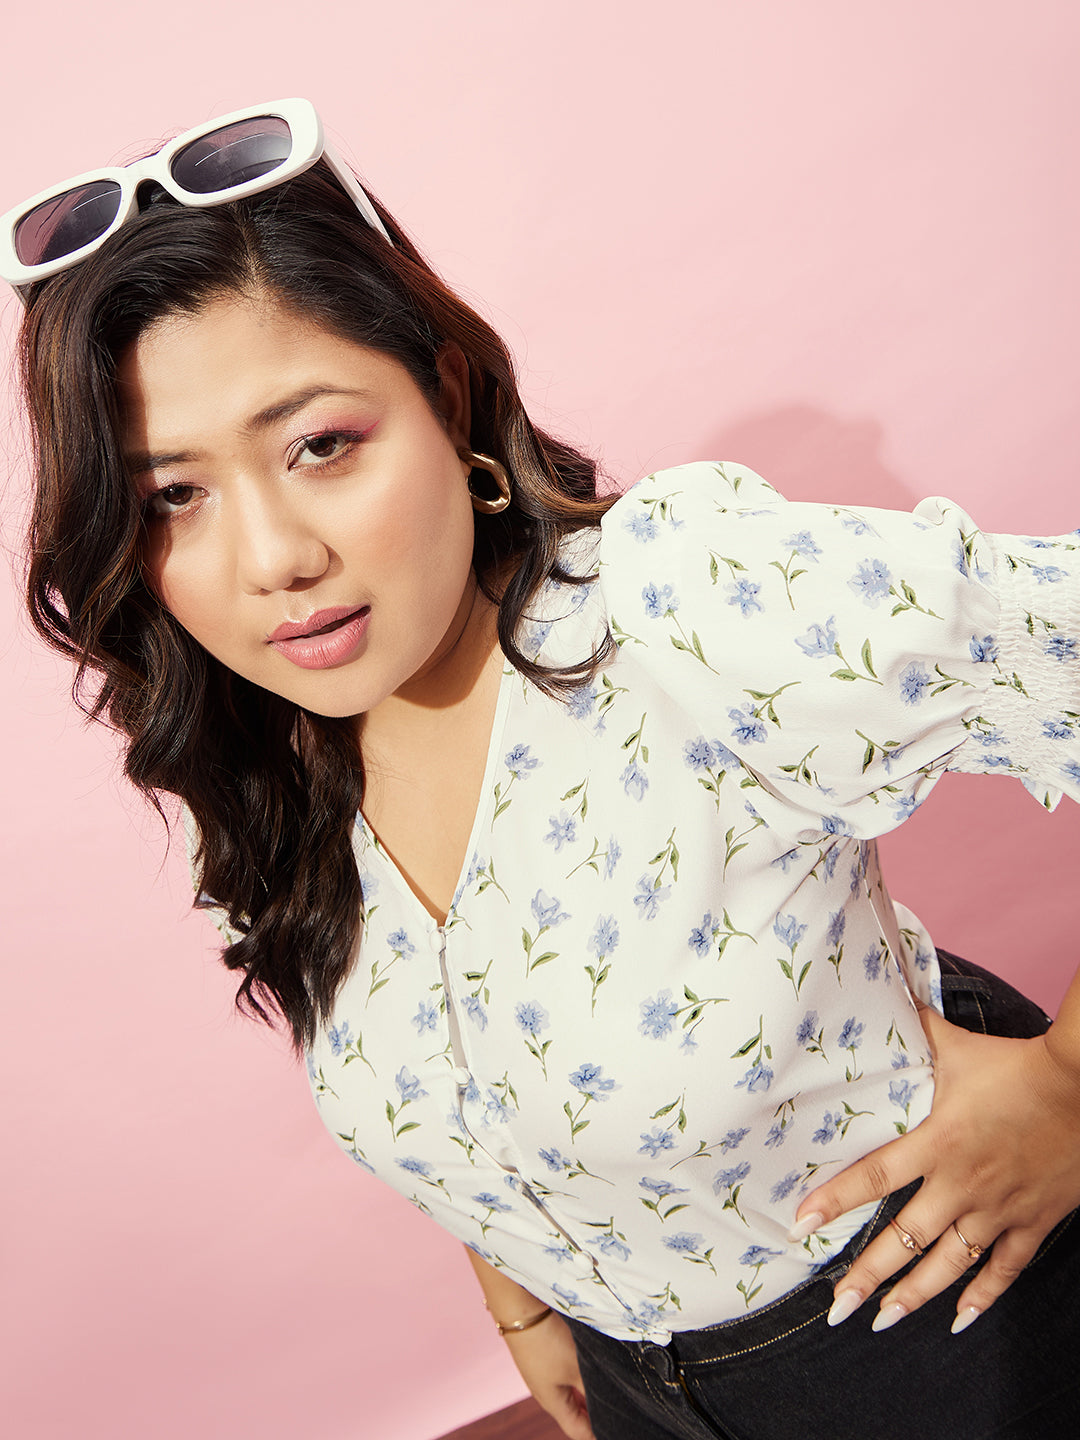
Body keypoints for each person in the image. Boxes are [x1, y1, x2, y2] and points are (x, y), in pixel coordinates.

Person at [4, 99, 1080, 1440]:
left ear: (446, 395)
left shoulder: (679, 603)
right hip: (633, 1386)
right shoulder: (265, 757)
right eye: (174, 495)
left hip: (944, 1325)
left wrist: (1067, 1094)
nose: (275, 557)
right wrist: (522, 1296)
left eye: (321, 444)